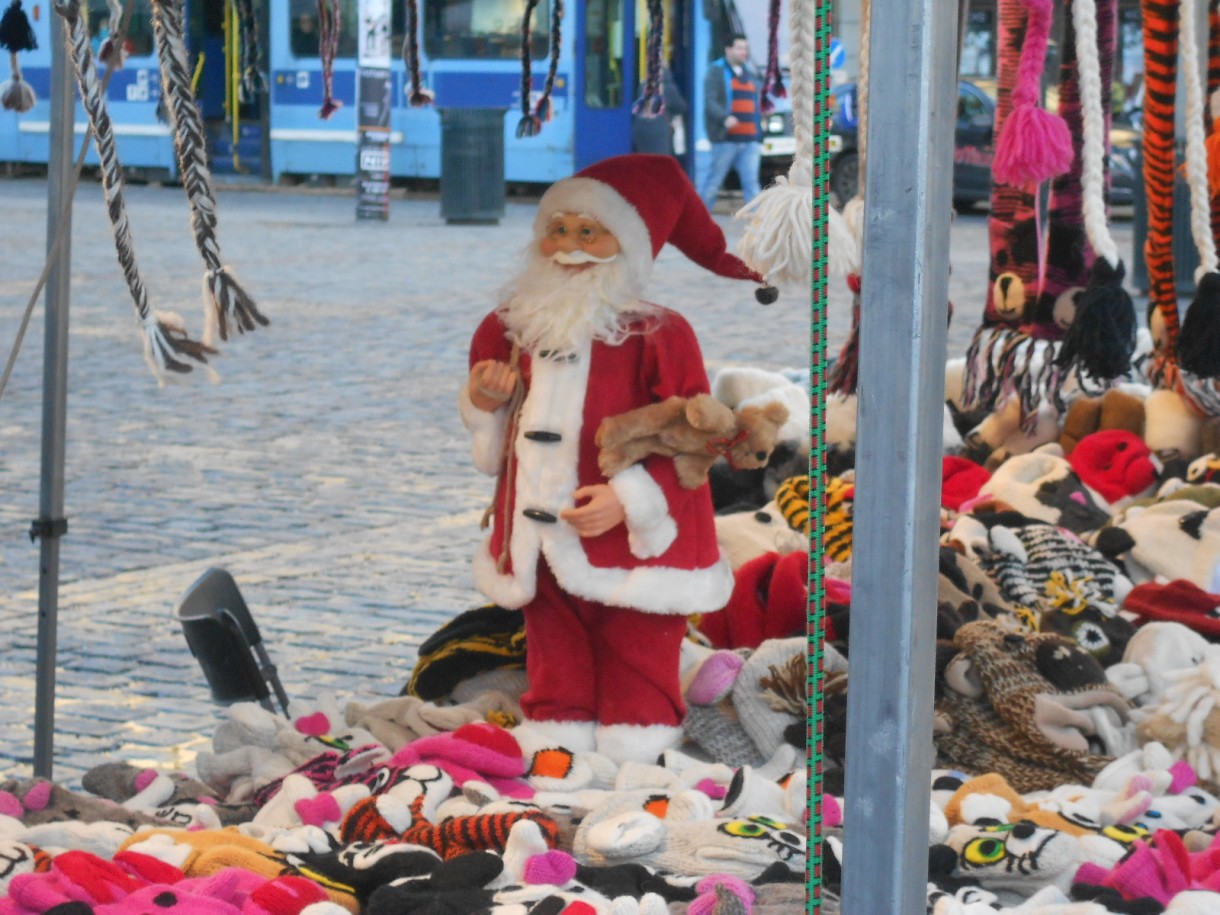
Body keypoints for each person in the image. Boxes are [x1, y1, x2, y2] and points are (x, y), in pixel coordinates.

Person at [459, 154, 765, 764]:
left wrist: (627, 499)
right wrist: (483, 400)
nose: (568, 246)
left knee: (636, 646)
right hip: (541, 531)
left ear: (626, 245)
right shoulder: (509, 328)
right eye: (558, 228)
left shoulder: (661, 335)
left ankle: (639, 753)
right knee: (554, 646)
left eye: (588, 232)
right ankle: (557, 740)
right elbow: (494, 439)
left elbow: (697, 437)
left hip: (638, 543)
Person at [698, 33, 763, 211]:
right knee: (712, 184)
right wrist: (725, 117)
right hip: (726, 141)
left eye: (745, 48)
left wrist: (759, 132)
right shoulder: (716, 71)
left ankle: (758, 227)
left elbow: (756, 103)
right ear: (728, 50)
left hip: (750, 141)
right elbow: (709, 102)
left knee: (752, 187)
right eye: (740, 48)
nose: (744, 52)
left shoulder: (749, 74)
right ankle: (698, 221)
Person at [631, 65, 689, 157]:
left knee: (645, 161)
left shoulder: (642, 86)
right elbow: (681, 107)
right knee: (660, 163)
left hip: (640, 131)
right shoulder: (669, 88)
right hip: (660, 133)